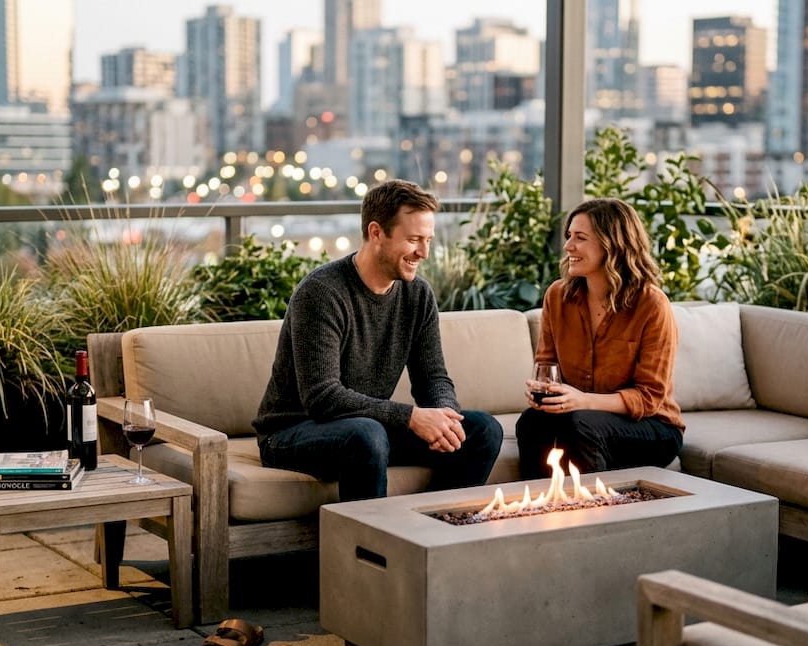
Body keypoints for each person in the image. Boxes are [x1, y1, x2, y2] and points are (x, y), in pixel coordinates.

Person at [253, 179, 503, 501]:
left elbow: (433, 378)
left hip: (367, 429)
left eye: (427, 240)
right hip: (293, 432)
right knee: (366, 434)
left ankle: (433, 530)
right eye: (413, 239)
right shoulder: (322, 293)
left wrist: (445, 417)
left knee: (482, 430)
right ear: (376, 233)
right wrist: (411, 417)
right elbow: (322, 397)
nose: (423, 253)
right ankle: (374, 546)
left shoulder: (417, 294)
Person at [516, 197, 685, 478]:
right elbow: (547, 367)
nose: (569, 246)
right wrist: (546, 394)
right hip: (580, 418)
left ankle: (596, 514)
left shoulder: (651, 304)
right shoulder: (558, 297)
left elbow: (649, 398)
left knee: (581, 424)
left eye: (580, 238)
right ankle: (537, 512)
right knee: (532, 422)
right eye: (569, 236)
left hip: (652, 427)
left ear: (612, 245)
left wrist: (583, 401)